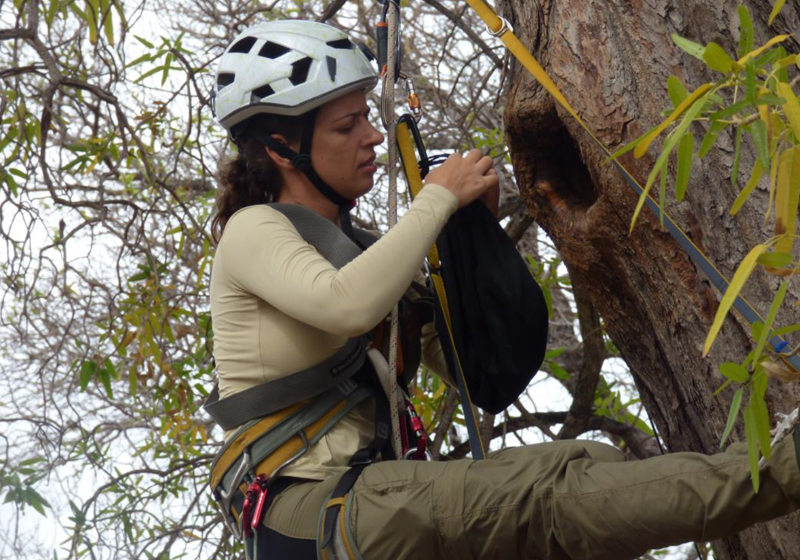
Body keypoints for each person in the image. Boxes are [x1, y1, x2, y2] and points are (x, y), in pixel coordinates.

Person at [208, 19, 800, 560]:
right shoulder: (254, 229)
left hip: (363, 503)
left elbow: (476, 370)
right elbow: (346, 304)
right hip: (309, 511)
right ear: (284, 150)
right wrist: (438, 200)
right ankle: (786, 470)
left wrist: (477, 240)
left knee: (591, 462)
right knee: (550, 495)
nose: (372, 136)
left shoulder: (360, 249)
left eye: (367, 116)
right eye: (348, 124)